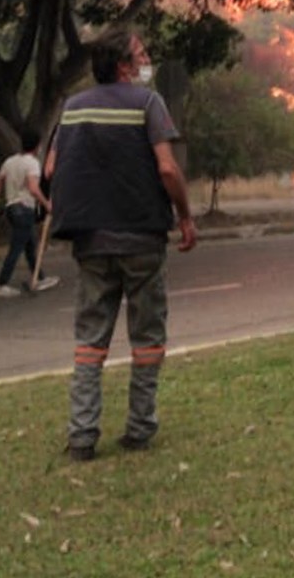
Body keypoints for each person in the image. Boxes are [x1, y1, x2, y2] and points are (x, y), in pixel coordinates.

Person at [48, 28, 198, 458]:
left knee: (90, 341)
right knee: (147, 338)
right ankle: (139, 428)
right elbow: (168, 170)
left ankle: (81, 436)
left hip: (92, 240)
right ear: (123, 65)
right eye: (141, 54)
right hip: (142, 238)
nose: (147, 60)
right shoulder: (149, 103)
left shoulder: (72, 108)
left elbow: (53, 168)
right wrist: (185, 216)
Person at [0, 127, 59, 296]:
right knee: (17, 247)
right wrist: (46, 204)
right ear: (37, 146)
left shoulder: (10, 161)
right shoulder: (32, 163)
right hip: (24, 208)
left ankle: (39, 277)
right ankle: (1, 283)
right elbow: (33, 188)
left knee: (30, 245)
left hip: (11, 207)